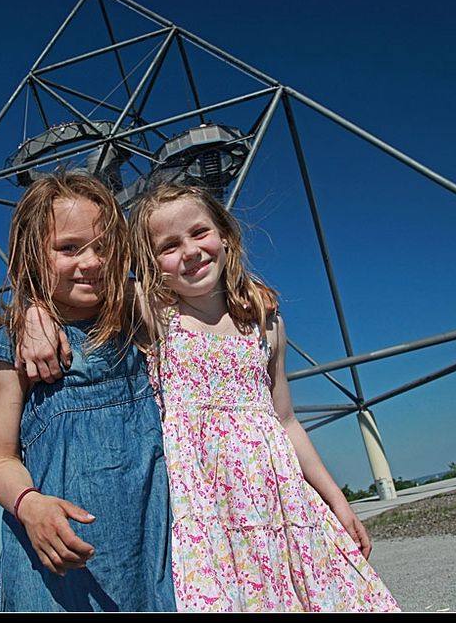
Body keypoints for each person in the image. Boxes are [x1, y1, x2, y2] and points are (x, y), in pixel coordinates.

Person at [125, 183, 401, 612]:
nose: (191, 251)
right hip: (205, 510)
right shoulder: (153, 316)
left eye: (200, 233)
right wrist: (32, 315)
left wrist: (336, 499)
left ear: (226, 237)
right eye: (169, 246)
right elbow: (77, 292)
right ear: (150, 263)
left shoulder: (265, 325)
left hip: (280, 503)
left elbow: (286, 421)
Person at [0, 173, 176, 612]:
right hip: (62, 563)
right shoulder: (13, 345)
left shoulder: (139, 315)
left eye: (103, 246)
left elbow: (207, 284)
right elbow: (1, 460)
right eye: (69, 248)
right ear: (33, 255)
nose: (91, 262)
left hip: (153, 546)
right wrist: (29, 506)